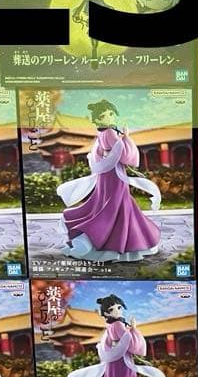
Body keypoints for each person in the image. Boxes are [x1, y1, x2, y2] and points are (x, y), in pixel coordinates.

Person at [57, 99, 161, 262]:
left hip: (106, 175)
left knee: (110, 205)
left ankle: (96, 241)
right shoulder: (110, 132)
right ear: (99, 118)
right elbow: (126, 157)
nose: (111, 117)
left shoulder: (101, 133)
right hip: (115, 175)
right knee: (115, 207)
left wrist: (121, 141)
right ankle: (98, 240)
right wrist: (127, 138)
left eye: (112, 114)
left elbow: (100, 154)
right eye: (107, 115)